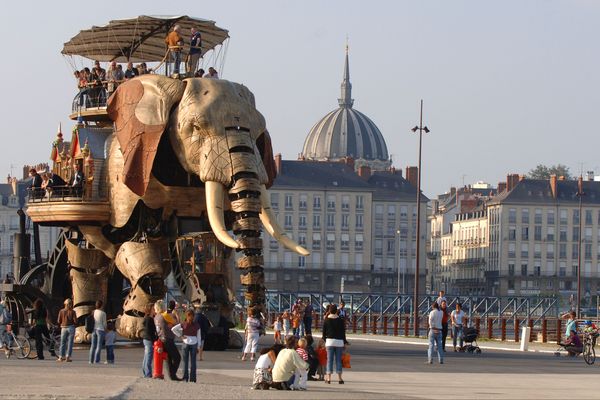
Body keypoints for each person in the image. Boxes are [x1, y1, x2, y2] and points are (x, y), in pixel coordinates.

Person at [154, 300, 182, 381]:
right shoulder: (164, 315)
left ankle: (172, 377)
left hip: (161, 339)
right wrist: (176, 315)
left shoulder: (156, 317)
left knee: (169, 359)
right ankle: (172, 374)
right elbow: (177, 324)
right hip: (168, 339)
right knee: (177, 357)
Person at [321, 304, 347, 384]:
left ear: (329, 311)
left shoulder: (326, 320)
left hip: (329, 341)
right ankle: (340, 378)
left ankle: (328, 378)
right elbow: (343, 333)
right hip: (339, 342)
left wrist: (326, 340)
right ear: (336, 311)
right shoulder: (340, 320)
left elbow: (323, 333)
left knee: (329, 360)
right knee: (338, 360)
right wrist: (344, 342)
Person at [176, 309, 202, 382]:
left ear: (186, 316)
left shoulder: (183, 324)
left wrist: (180, 336)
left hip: (185, 342)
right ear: (193, 316)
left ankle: (185, 378)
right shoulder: (197, 325)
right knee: (193, 362)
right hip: (194, 343)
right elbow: (199, 336)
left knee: (185, 362)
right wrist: (198, 346)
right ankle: (193, 379)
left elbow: (173, 329)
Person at [89, 300, 107, 364]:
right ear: (101, 305)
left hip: (94, 329)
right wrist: (106, 330)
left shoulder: (93, 312)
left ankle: (90, 360)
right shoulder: (103, 313)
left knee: (93, 346)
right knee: (99, 346)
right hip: (100, 330)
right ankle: (96, 360)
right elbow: (104, 324)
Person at [141, 303, 156, 378]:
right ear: (150, 310)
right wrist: (154, 340)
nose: (155, 310)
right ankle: (148, 374)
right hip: (148, 339)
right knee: (148, 357)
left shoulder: (147, 318)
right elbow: (149, 331)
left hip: (146, 339)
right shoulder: (149, 319)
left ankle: (145, 372)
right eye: (153, 309)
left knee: (146, 356)